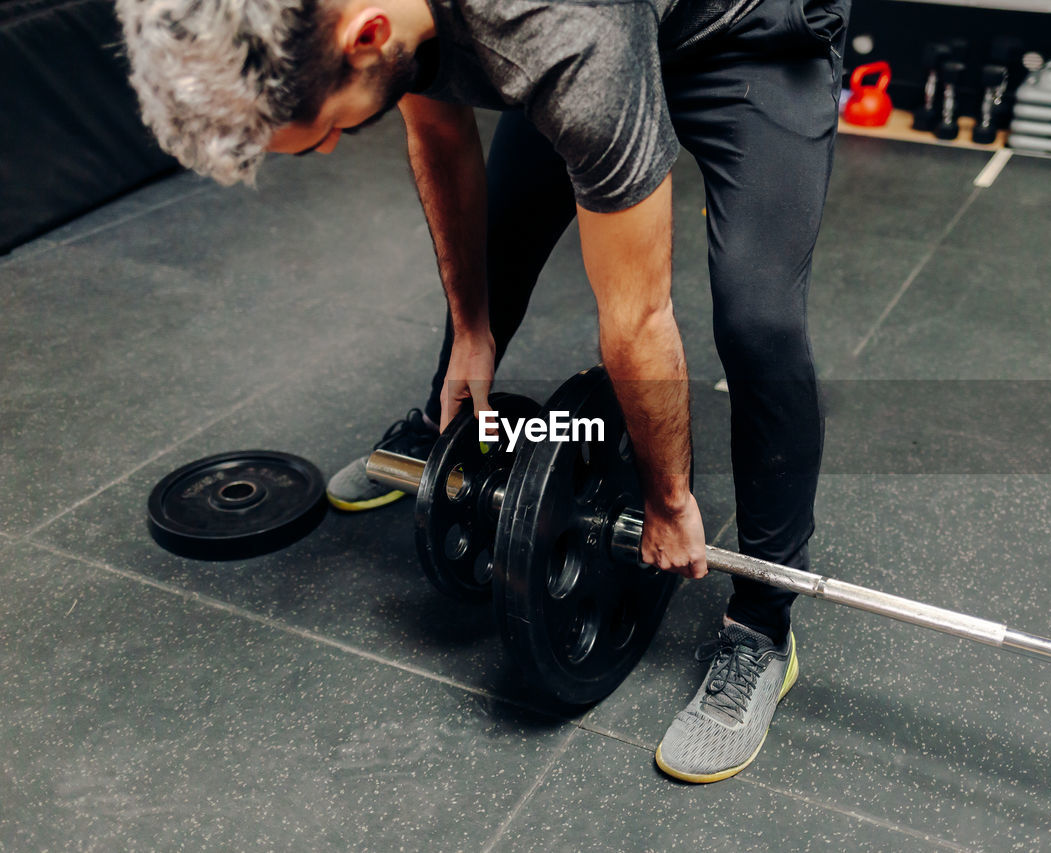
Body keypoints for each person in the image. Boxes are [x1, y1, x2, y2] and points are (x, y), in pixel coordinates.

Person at [117, 0, 849, 782]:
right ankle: (448, 426)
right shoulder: (386, 28)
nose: (331, 146)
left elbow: (637, 312)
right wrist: (473, 324)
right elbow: (435, 127)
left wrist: (667, 502)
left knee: (757, 319)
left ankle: (762, 627)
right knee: (493, 254)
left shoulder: (564, 35)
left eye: (328, 130)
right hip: (608, 37)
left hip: (750, 38)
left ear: (366, 35)